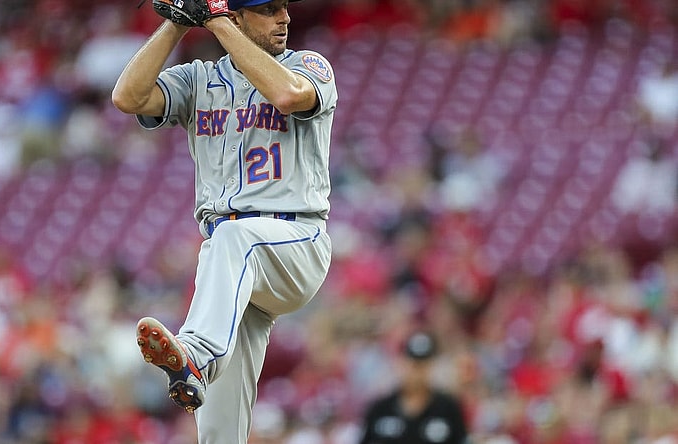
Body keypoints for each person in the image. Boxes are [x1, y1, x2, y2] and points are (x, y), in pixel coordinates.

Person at [111, 0, 337, 442]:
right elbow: (128, 97)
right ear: (239, 16)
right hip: (233, 267)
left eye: (284, 8)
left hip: (295, 240)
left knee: (235, 236)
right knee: (217, 432)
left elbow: (289, 95)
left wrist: (215, 22)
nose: (285, 18)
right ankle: (196, 364)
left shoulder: (309, 64)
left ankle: (196, 353)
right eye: (269, 10)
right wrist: (176, 24)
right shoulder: (200, 79)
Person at [358, 331, 468, 444]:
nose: (417, 373)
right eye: (413, 364)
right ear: (401, 363)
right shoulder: (381, 409)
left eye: (423, 365)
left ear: (431, 366)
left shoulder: (448, 408)